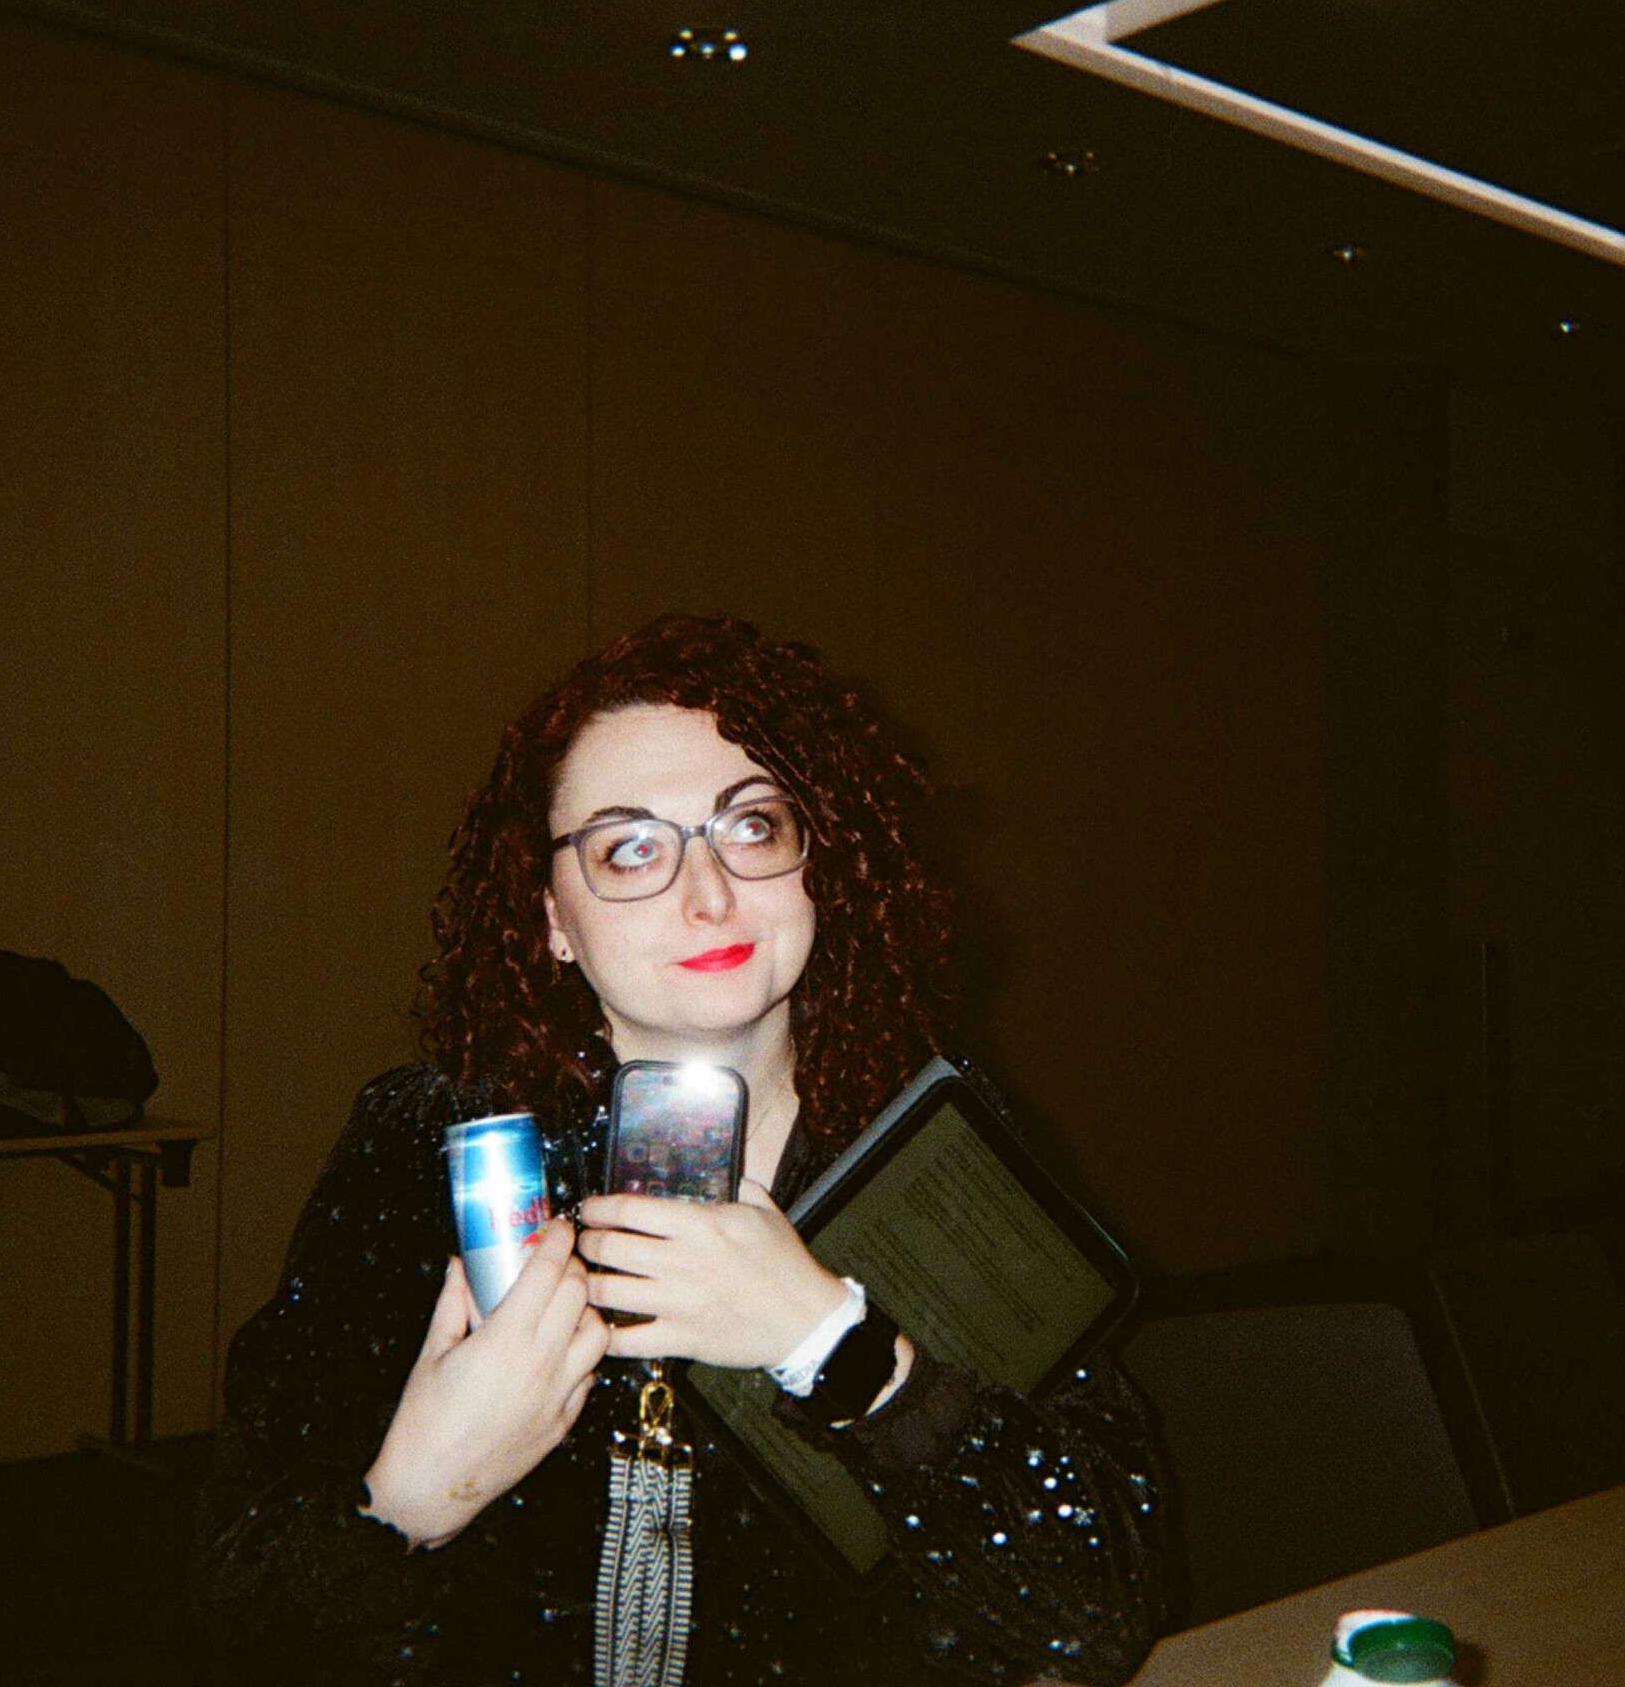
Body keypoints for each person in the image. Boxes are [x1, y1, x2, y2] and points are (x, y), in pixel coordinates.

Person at [196, 614, 1167, 1684]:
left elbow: (1094, 1616)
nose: (710, 896)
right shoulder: (437, 1145)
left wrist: (830, 1344)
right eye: (630, 848)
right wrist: (412, 1496)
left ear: (821, 862)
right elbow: (239, 1625)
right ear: (552, 918)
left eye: (752, 826)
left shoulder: (929, 1145)